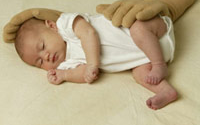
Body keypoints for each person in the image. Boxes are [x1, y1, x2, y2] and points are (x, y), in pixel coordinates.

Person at [14, 12, 177, 110]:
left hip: (154, 30)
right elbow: (84, 73)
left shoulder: (65, 25)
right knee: (140, 74)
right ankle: (166, 92)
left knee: (138, 29)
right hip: (149, 55)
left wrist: (93, 63)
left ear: (51, 25)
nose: (46, 56)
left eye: (42, 46)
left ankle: (159, 65)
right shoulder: (67, 63)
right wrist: (65, 75)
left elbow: (88, 33)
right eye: (40, 62)